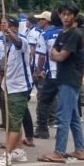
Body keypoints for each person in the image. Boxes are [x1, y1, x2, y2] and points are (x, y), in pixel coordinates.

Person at [39, 4, 84, 163]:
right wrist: (56, 53)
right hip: (64, 78)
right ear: (59, 15)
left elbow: (59, 56)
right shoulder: (62, 33)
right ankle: (80, 149)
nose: (66, 17)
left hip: (70, 79)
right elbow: (54, 55)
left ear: (74, 16)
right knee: (72, 117)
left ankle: (59, 151)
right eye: (63, 14)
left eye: (69, 14)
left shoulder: (75, 34)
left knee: (63, 116)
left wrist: (56, 53)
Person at [0, 17, 33, 166]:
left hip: (19, 88)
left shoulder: (22, 42)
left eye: (8, 27)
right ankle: (18, 150)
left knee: (14, 122)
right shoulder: (6, 46)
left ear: (15, 28)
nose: (4, 30)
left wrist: (8, 32)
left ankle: (7, 154)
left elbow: (18, 42)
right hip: (8, 87)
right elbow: (2, 67)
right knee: (13, 120)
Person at [33, 10, 60, 139]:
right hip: (67, 75)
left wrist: (39, 71)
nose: (38, 21)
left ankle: (42, 129)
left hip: (51, 74)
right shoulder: (70, 33)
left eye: (40, 19)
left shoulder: (46, 35)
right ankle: (62, 131)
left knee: (44, 101)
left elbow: (42, 56)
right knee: (66, 104)